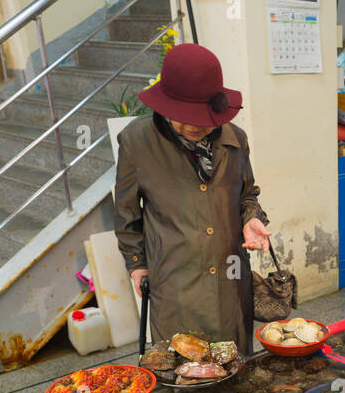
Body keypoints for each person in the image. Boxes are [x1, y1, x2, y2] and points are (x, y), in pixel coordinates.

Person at [114, 44, 270, 349]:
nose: (194, 126)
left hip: (230, 283)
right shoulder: (137, 142)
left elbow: (247, 194)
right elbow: (126, 212)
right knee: (181, 371)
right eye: (183, 116)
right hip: (174, 283)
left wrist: (251, 218)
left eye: (202, 116)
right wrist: (137, 264)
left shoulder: (234, 139)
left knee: (234, 369)